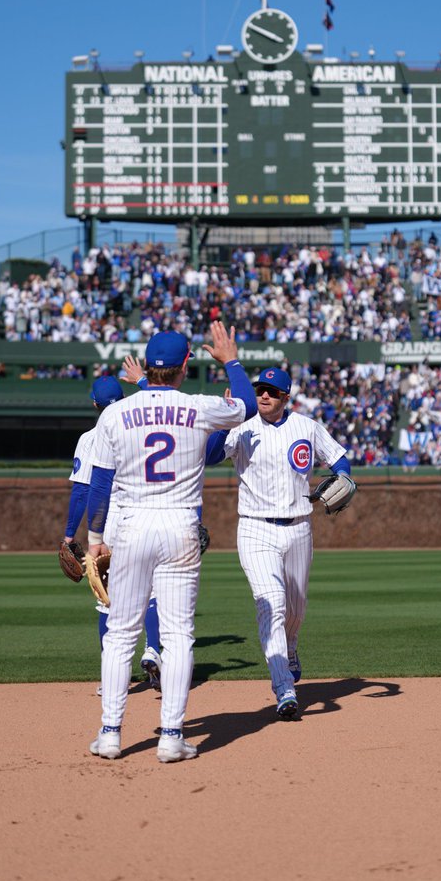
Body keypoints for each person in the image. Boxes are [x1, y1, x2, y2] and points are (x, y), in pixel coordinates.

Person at [85, 321, 257, 763]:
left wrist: (94, 540)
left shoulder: (114, 413)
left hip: (131, 525)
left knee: (121, 633)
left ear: (145, 366)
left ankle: (109, 733)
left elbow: (100, 484)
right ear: (184, 367)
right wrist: (230, 360)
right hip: (180, 524)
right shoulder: (197, 406)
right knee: (179, 636)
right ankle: (171, 737)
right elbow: (249, 406)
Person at [206, 366, 351, 720]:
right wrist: (223, 421)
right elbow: (209, 457)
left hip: (299, 527)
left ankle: (290, 647)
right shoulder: (241, 427)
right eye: (260, 389)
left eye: (272, 391)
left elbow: (339, 458)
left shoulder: (306, 427)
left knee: (296, 609)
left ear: (286, 397)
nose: (264, 395)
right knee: (271, 605)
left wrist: (345, 477)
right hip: (255, 529)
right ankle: (284, 689)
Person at [63, 374, 162, 693]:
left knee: (108, 600)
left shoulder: (91, 438)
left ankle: (112, 676)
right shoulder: (145, 430)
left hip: (111, 523)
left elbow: (82, 492)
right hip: (150, 516)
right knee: (153, 593)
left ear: (94, 404)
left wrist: (68, 536)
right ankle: (153, 650)